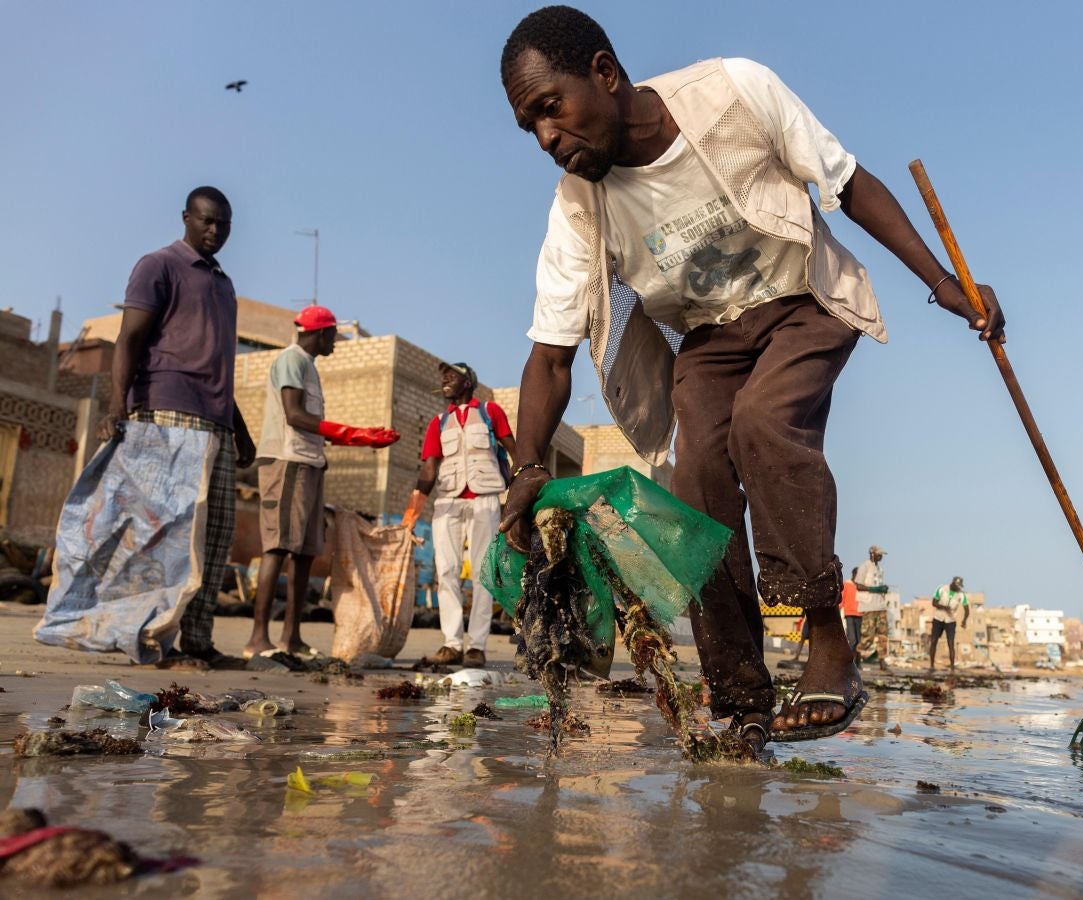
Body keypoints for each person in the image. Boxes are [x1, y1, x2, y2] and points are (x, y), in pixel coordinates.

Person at [497, 6, 1004, 752]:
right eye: (529, 126)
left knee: (763, 424)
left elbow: (849, 184)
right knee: (697, 475)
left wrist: (943, 284)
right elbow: (550, 354)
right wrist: (527, 463)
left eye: (550, 107)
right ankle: (741, 700)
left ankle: (828, 641)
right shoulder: (579, 205)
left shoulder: (733, 92)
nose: (546, 137)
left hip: (804, 300)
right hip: (709, 341)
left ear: (603, 73)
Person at [95, 186, 257, 670]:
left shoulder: (223, 284)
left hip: (215, 422)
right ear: (186, 218)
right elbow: (129, 338)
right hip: (165, 412)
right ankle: (148, 639)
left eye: (223, 224)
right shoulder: (159, 265)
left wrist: (240, 429)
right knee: (166, 532)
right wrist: (117, 405)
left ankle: (198, 640)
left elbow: (219, 365)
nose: (214, 231)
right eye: (206, 221)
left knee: (215, 533)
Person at [243, 305, 399, 660]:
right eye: (333, 336)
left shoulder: (308, 367)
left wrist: (360, 439)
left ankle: (291, 638)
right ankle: (257, 639)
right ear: (321, 333)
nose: (335, 343)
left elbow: (314, 426)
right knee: (279, 547)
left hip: (310, 462)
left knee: (305, 551)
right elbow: (295, 415)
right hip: (287, 461)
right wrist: (352, 432)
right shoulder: (291, 360)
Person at [403, 362, 517, 669]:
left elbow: (514, 451)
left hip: (485, 501)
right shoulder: (439, 423)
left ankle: (476, 647)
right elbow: (429, 469)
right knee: (447, 571)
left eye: (451, 376)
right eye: (442, 376)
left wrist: (524, 493)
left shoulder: (490, 412)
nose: (445, 380)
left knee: (482, 573)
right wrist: (411, 513)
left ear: (468, 381)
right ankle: (451, 644)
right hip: (448, 504)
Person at [927, 576, 970, 674]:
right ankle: (932, 665)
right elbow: (934, 602)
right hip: (938, 618)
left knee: (951, 644)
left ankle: (952, 668)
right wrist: (943, 607)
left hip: (951, 621)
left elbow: (967, 609)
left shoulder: (961, 595)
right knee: (933, 641)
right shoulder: (942, 588)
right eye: (957, 586)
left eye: (960, 586)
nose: (958, 588)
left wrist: (964, 620)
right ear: (953, 583)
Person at [841, 568, 862, 653]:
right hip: (849, 614)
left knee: (859, 641)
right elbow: (841, 600)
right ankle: (848, 661)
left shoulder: (861, 586)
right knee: (852, 640)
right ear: (853, 574)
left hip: (860, 614)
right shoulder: (847, 584)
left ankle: (856, 663)